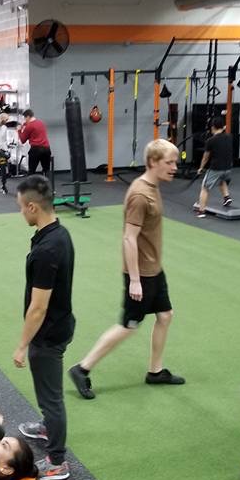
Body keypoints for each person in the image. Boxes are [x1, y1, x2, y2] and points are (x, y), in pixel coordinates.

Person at [68, 139, 186, 400]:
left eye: (175, 162)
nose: (174, 167)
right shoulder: (140, 195)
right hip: (141, 274)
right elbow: (129, 238)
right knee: (129, 326)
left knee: (165, 315)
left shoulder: (153, 187)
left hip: (154, 269)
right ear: (153, 162)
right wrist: (134, 280)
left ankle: (155, 371)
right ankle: (82, 368)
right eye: (169, 162)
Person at [12, 175, 75, 480]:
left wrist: (22, 345)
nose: (21, 212)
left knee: (51, 398)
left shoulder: (47, 249)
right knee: (48, 393)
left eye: (21, 207)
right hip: (58, 324)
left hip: (48, 333)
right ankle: (48, 427)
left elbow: (38, 307)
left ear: (33, 207)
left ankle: (57, 461)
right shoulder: (57, 233)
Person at [194, 116, 234, 218]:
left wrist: (200, 168)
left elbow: (205, 157)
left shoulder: (211, 140)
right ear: (223, 126)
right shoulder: (229, 137)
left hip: (216, 168)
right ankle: (227, 197)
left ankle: (201, 211)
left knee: (205, 188)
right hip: (228, 168)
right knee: (221, 180)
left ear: (212, 127)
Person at [17, 109, 52, 178]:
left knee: (31, 171)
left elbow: (23, 140)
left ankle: (31, 184)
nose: (24, 120)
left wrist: (19, 130)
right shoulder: (41, 122)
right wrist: (24, 124)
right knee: (46, 170)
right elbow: (34, 128)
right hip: (46, 148)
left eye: (24, 118)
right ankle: (48, 183)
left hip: (36, 149)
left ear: (28, 117)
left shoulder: (29, 126)